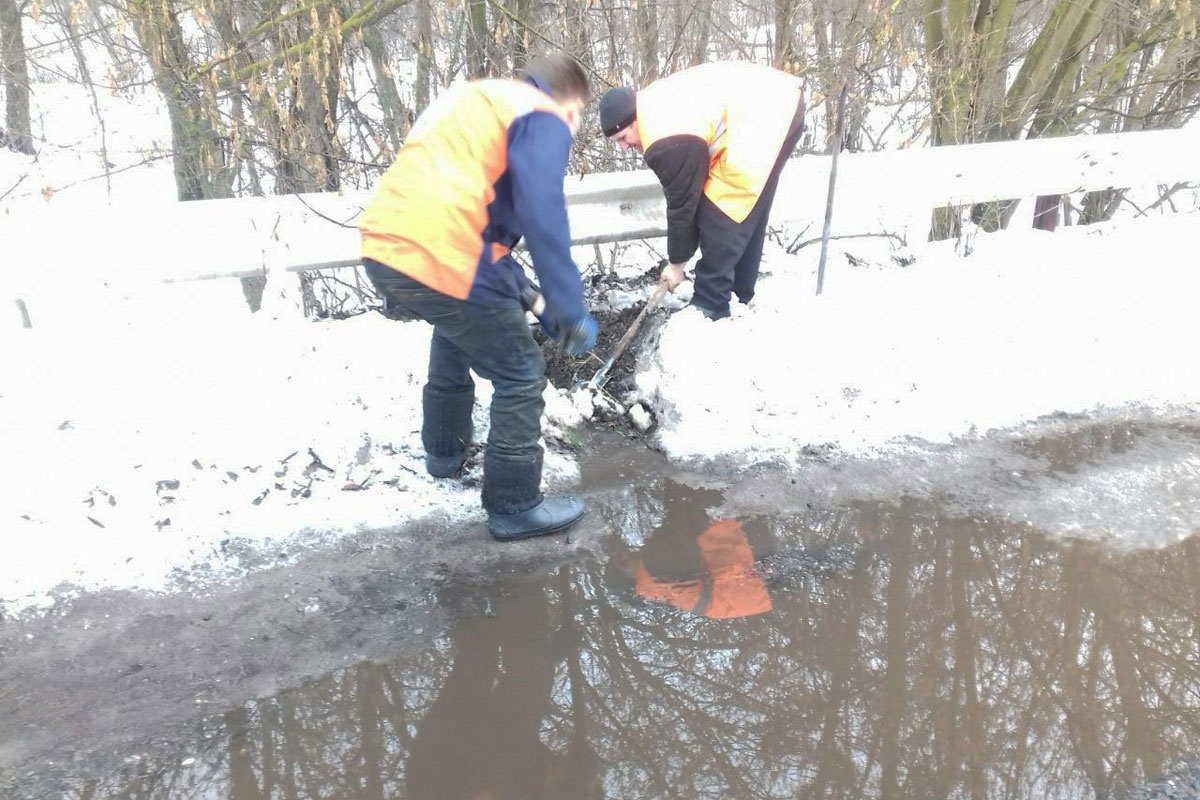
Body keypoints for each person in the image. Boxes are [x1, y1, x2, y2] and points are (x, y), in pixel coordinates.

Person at [360, 52, 597, 541]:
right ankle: (514, 504)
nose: (570, 131)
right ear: (565, 102)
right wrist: (569, 307)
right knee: (521, 371)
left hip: (387, 245)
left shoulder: (475, 102)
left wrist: (535, 299)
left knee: (458, 324)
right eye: (575, 117)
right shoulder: (541, 113)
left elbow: (484, 239)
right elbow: (543, 212)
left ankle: (443, 454)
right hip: (447, 249)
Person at [598, 62, 807, 319]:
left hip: (765, 114)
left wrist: (676, 264)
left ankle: (710, 307)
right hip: (778, 105)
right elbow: (689, 195)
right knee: (746, 207)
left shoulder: (663, 140)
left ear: (634, 119)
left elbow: (683, 205)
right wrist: (681, 256)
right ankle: (740, 293)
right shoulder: (651, 110)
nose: (624, 148)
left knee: (722, 208)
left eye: (623, 138)